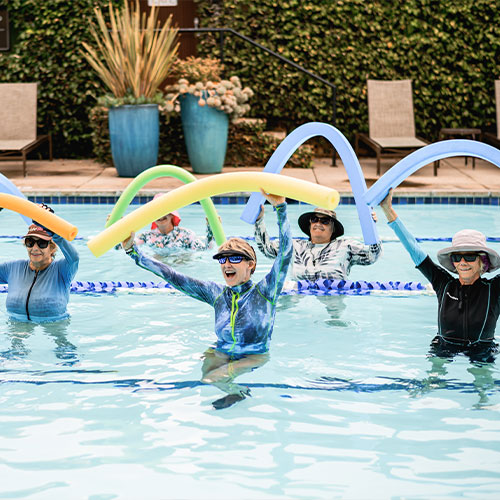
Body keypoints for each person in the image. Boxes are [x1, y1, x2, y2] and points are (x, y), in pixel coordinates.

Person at [122, 191, 293, 409]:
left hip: (254, 354)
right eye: (222, 258)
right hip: (221, 349)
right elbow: (174, 277)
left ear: (251, 265)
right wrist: (133, 252)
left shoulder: (265, 292)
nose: (227, 264)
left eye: (235, 258)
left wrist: (281, 208)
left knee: (211, 379)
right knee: (207, 371)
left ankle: (237, 392)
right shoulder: (217, 294)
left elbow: (285, 254)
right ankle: (236, 392)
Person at [380, 188, 500, 362]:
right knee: (432, 382)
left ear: (483, 262)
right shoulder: (444, 284)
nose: (463, 262)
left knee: (483, 387)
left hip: (482, 348)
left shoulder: (494, 290)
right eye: (457, 257)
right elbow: (414, 249)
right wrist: (387, 209)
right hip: (444, 346)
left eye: (470, 257)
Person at [254, 206, 381, 281]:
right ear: (309, 225)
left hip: (332, 299)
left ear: (333, 228)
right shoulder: (295, 246)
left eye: (325, 221)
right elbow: (268, 249)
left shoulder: (345, 246)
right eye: (314, 219)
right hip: (299, 299)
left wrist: (371, 227)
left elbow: (372, 256)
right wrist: (259, 220)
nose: (318, 223)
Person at [0, 207, 79, 323]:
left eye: (42, 243)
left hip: (55, 324)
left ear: (52, 248)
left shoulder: (61, 270)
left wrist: (52, 226)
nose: (35, 248)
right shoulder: (12, 268)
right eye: (30, 242)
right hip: (16, 325)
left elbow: (74, 258)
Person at [135, 194, 214, 252]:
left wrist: (211, 227)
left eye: (164, 212)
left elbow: (206, 249)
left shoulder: (186, 234)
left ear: (172, 215)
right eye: (157, 212)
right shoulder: (146, 236)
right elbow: (126, 246)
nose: (160, 216)